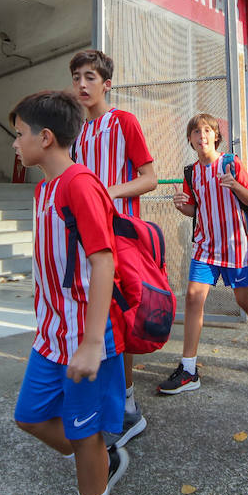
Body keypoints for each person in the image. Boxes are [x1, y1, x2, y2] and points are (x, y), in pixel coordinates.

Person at [9, 90, 127, 495]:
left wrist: (93, 342)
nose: (16, 144)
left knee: (83, 436)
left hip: (86, 340)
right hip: (51, 337)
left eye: (19, 134)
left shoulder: (81, 185)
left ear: (45, 137)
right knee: (30, 417)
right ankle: (101, 456)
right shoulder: (44, 191)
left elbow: (104, 261)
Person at [68, 49, 158, 447]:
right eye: (76, 78)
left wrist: (106, 193)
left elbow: (150, 178)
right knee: (93, 321)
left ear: (106, 83)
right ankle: (109, 403)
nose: (82, 84)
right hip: (85, 242)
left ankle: (128, 406)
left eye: (90, 77)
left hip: (120, 238)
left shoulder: (124, 122)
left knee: (119, 322)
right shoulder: (78, 133)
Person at [159, 113, 248, 394]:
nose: (201, 135)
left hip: (234, 245)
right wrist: (182, 206)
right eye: (195, 131)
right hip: (205, 246)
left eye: (207, 130)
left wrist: (235, 184)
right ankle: (189, 368)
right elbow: (195, 208)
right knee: (193, 298)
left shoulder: (230, 163)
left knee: (245, 300)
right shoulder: (191, 172)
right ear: (190, 139)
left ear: (216, 136)